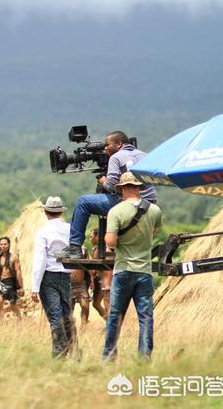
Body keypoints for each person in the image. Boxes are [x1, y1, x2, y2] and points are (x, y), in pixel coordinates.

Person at [55, 131, 157, 259]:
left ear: (119, 144)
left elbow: (111, 185)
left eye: (107, 145)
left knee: (83, 202)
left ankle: (75, 247)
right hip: (149, 204)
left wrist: (103, 181)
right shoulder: (144, 155)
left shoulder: (116, 157)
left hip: (128, 204)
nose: (105, 148)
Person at [102, 172, 162, 362]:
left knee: (115, 317)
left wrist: (110, 239)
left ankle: (109, 357)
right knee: (145, 318)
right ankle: (144, 358)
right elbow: (153, 232)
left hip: (124, 270)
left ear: (122, 188)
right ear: (139, 187)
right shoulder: (154, 210)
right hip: (144, 271)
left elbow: (111, 242)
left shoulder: (116, 211)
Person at [31, 197, 76, 358]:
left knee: (55, 316)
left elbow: (40, 260)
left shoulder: (42, 232)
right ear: (60, 212)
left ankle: (59, 353)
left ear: (45, 211)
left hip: (48, 277)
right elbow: (77, 249)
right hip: (65, 275)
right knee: (66, 314)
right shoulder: (70, 229)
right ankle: (73, 350)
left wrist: (35, 287)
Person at [0, 237, 23, 320]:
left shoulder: (14, 257)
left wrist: (20, 287)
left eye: (5, 244)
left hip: (11, 283)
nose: (3, 246)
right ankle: (0, 323)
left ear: (9, 245)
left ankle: (19, 321)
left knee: (13, 305)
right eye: (1, 244)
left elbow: (18, 272)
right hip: (1, 283)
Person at [88, 229, 111, 320]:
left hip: (106, 280)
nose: (90, 239)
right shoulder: (95, 249)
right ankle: (108, 321)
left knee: (106, 302)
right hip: (99, 279)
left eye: (91, 237)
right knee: (96, 303)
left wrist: (108, 281)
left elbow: (109, 267)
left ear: (97, 236)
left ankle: (110, 325)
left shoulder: (106, 249)